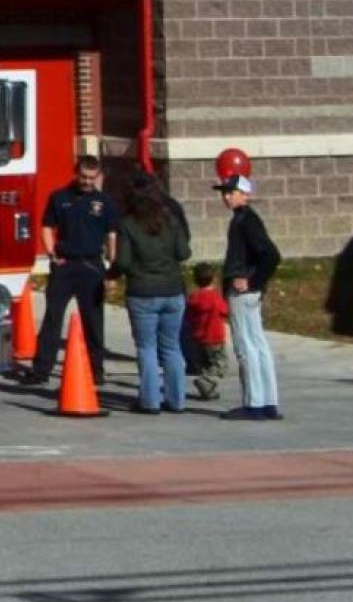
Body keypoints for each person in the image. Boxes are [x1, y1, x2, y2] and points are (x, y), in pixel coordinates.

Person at [23, 156, 119, 385]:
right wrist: (52, 255)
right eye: (83, 177)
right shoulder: (60, 197)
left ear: (98, 177)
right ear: (76, 174)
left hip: (92, 266)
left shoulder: (105, 202)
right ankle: (41, 370)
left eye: (91, 178)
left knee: (93, 321)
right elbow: (46, 226)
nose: (87, 182)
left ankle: (96, 370)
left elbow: (112, 235)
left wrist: (112, 268)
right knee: (53, 318)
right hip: (65, 264)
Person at [113, 169, 193, 414]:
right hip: (172, 289)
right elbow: (184, 253)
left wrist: (112, 272)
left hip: (142, 291)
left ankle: (150, 400)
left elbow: (124, 262)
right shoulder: (170, 219)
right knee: (171, 347)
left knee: (146, 347)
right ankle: (177, 399)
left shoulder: (127, 224)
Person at [218, 174, 283, 420]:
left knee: (245, 345)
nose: (226, 196)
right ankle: (269, 401)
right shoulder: (245, 219)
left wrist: (253, 280)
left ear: (245, 194)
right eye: (224, 192)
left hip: (243, 290)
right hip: (250, 291)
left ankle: (254, 402)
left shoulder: (246, 220)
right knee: (258, 343)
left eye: (231, 192)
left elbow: (271, 255)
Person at [183, 262, 228, 405]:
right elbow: (225, 311)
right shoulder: (215, 297)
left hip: (198, 338)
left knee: (204, 364)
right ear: (213, 278)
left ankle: (207, 391)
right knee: (220, 365)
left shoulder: (193, 298)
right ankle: (205, 381)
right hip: (215, 337)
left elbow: (188, 317)